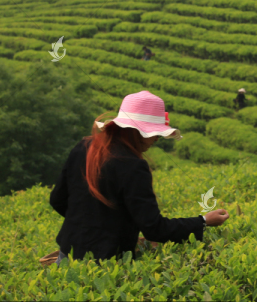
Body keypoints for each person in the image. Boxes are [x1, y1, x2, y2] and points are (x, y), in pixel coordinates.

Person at [48, 91, 230, 264]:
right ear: (136, 131)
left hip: (66, 255)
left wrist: (93, 226)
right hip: (106, 263)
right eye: (154, 133)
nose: (157, 138)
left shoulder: (84, 147)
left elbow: (58, 200)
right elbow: (155, 229)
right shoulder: (133, 165)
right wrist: (204, 221)